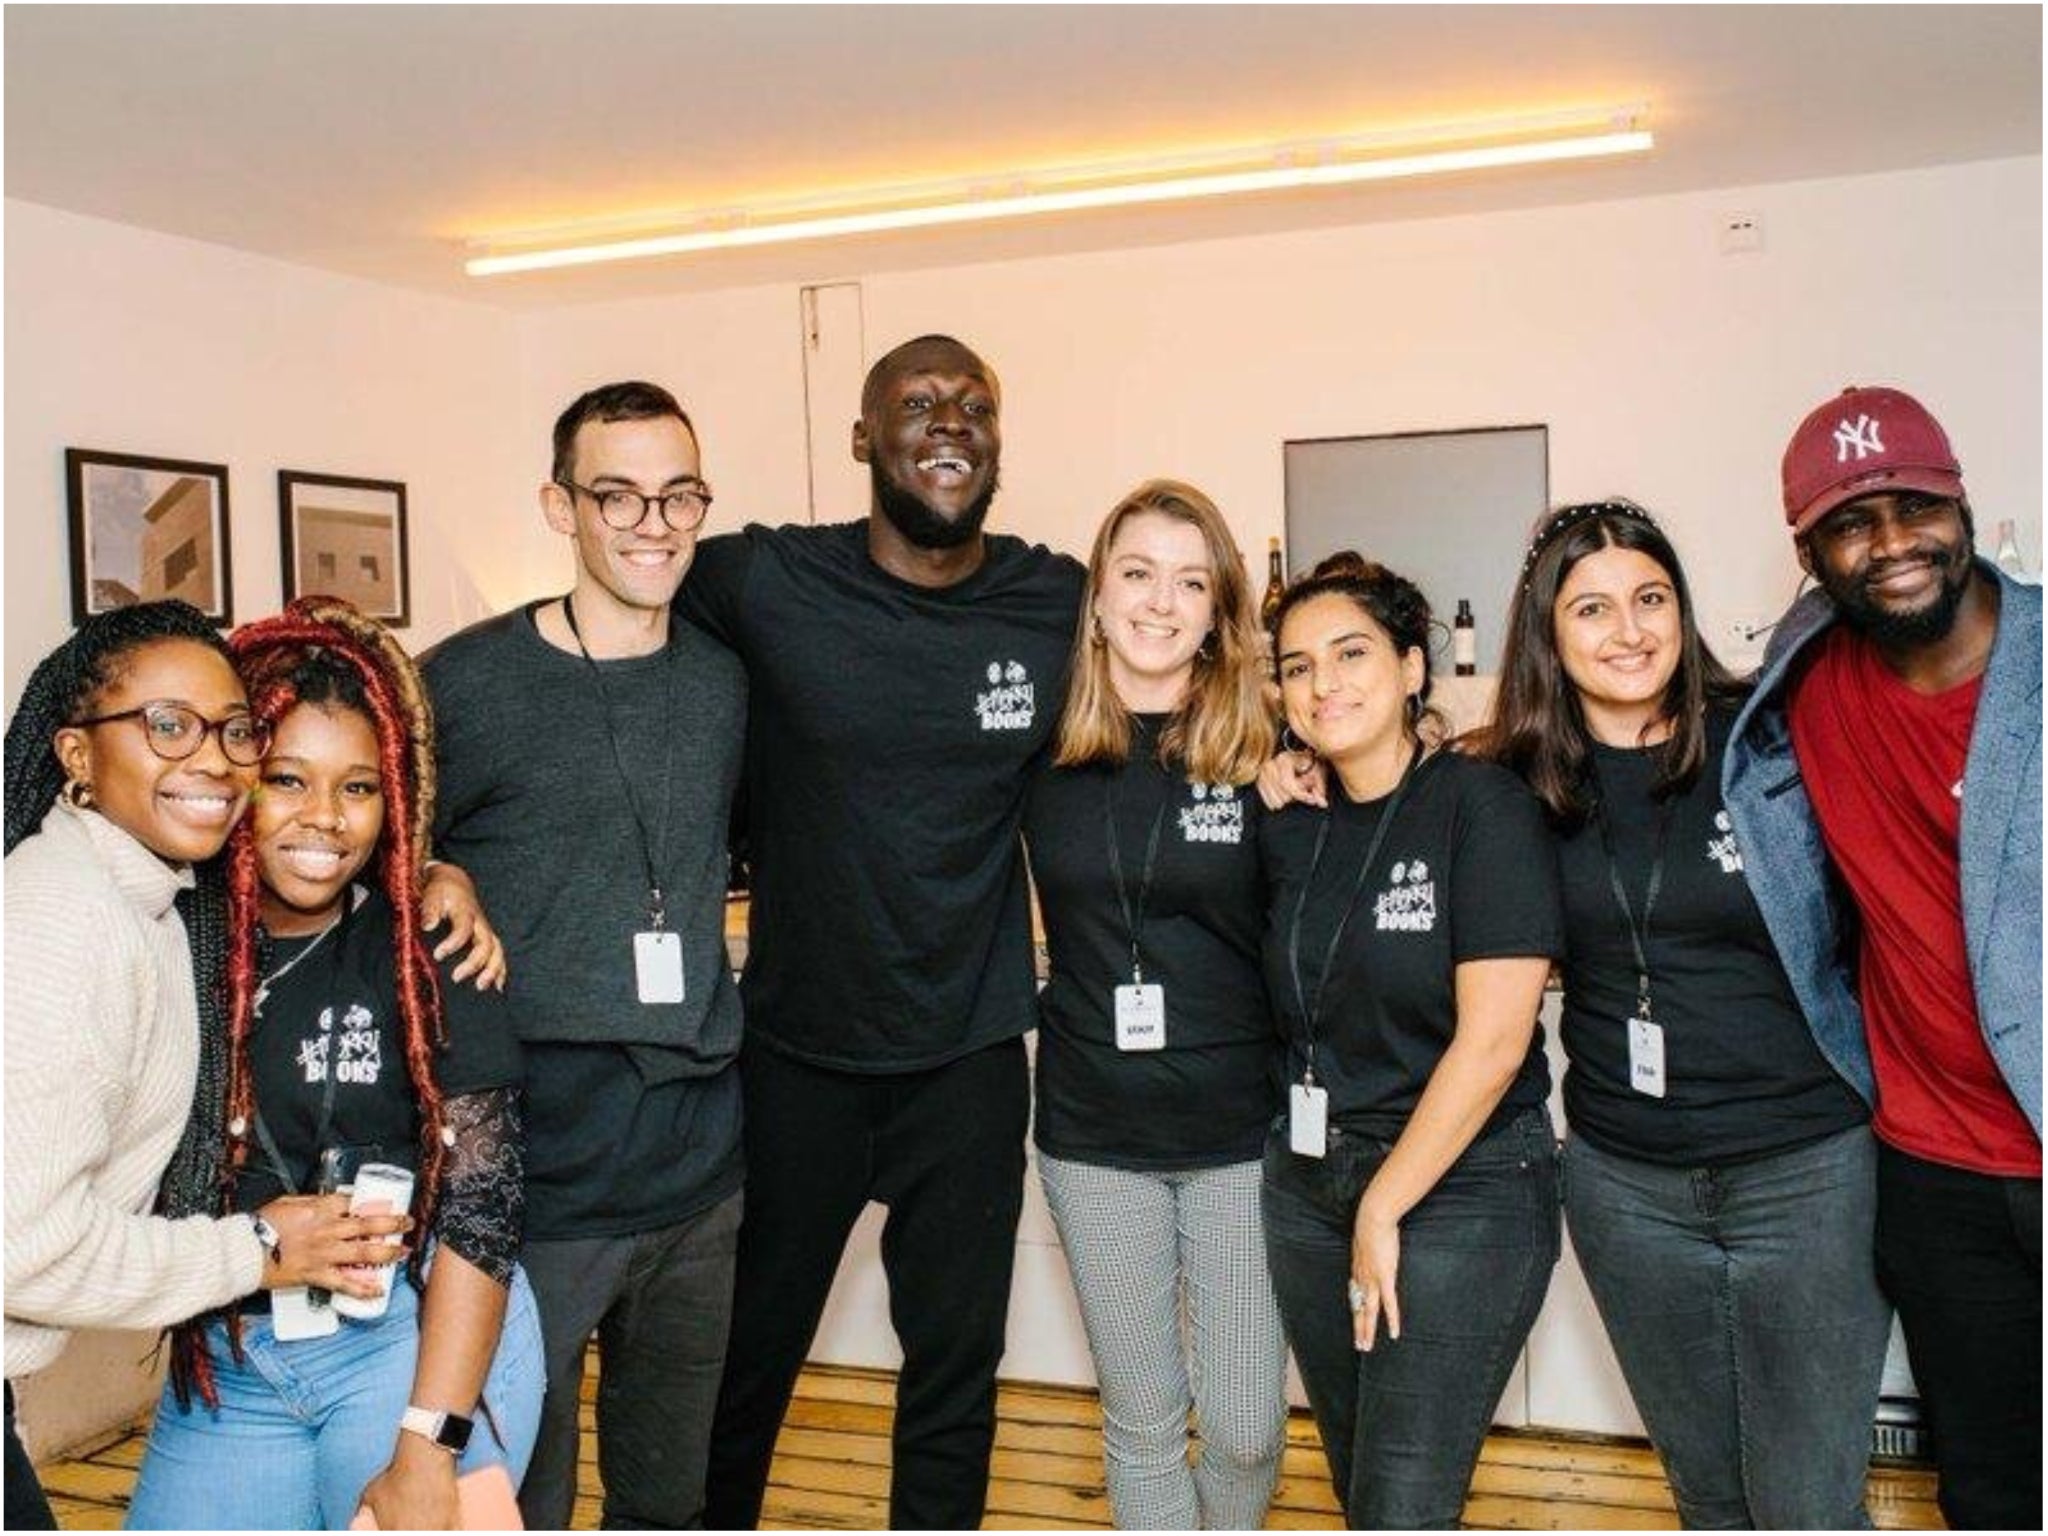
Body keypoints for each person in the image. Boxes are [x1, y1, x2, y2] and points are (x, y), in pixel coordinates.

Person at [691, 335, 1085, 1530]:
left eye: (973, 403)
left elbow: (1199, 663)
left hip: (965, 1063)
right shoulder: (763, 580)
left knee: (954, 1380)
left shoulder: (1053, 598)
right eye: (916, 403)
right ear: (863, 439)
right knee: (744, 1366)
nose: (948, 421)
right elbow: (609, 605)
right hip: (797, 1059)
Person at [1484, 501, 1890, 1527]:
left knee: (1807, 1504)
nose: (1627, 630)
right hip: (1627, 1192)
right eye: (1590, 609)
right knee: (1706, 1496)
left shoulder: (1768, 744)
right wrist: (1285, 767)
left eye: (1649, 598)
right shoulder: (1503, 787)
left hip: (1804, 1175)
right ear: (1546, 634)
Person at [124, 599, 544, 1530]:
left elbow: (485, 1209)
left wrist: (431, 1442)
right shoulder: (165, 940)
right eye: (287, 778)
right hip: (228, 1364)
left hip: (401, 1350)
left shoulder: (427, 948)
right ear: (237, 778)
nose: (324, 819)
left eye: (358, 787)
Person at [3, 602, 409, 1530]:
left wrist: (428, 871)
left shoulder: (150, 905)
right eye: (167, 726)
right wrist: (262, 1248)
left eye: (233, 731)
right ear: (75, 755)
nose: (214, 760)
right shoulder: (61, 922)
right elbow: (25, 1247)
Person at [420, 380, 748, 1529]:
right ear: (560, 507)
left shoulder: (722, 683)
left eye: (679, 496)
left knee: (670, 1496)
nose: (653, 523)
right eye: (619, 494)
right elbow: (361, 840)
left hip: (699, 1156)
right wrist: (431, 869)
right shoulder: (465, 682)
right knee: (522, 1491)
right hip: (540, 1164)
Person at [1726, 385, 2041, 1530]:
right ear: (1808, 553)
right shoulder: (1794, 692)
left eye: (1915, 506)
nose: (1893, 543)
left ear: (1962, 507)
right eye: (1853, 522)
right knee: (1991, 1489)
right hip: (1931, 1172)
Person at [1258, 554, 1562, 1529]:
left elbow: (1495, 1041)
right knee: (1363, 1492)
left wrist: (1382, 1204)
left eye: (1350, 654)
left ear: (1410, 669)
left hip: (1458, 1189)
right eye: (1298, 666)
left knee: (1399, 1506)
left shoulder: (1480, 807)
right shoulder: (1287, 816)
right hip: (1308, 1187)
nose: (1324, 683)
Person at [1023, 480, 1286, 1529]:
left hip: (1235, 1132)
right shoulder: (1036, 752)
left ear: (1220, 613)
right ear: (1095, 598)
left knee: (1244, 1424)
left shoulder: (1265, 751)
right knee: (1139, 1422)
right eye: (1136, 574)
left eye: (1190, 582)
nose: (1159, 603)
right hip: (1092, 1134)